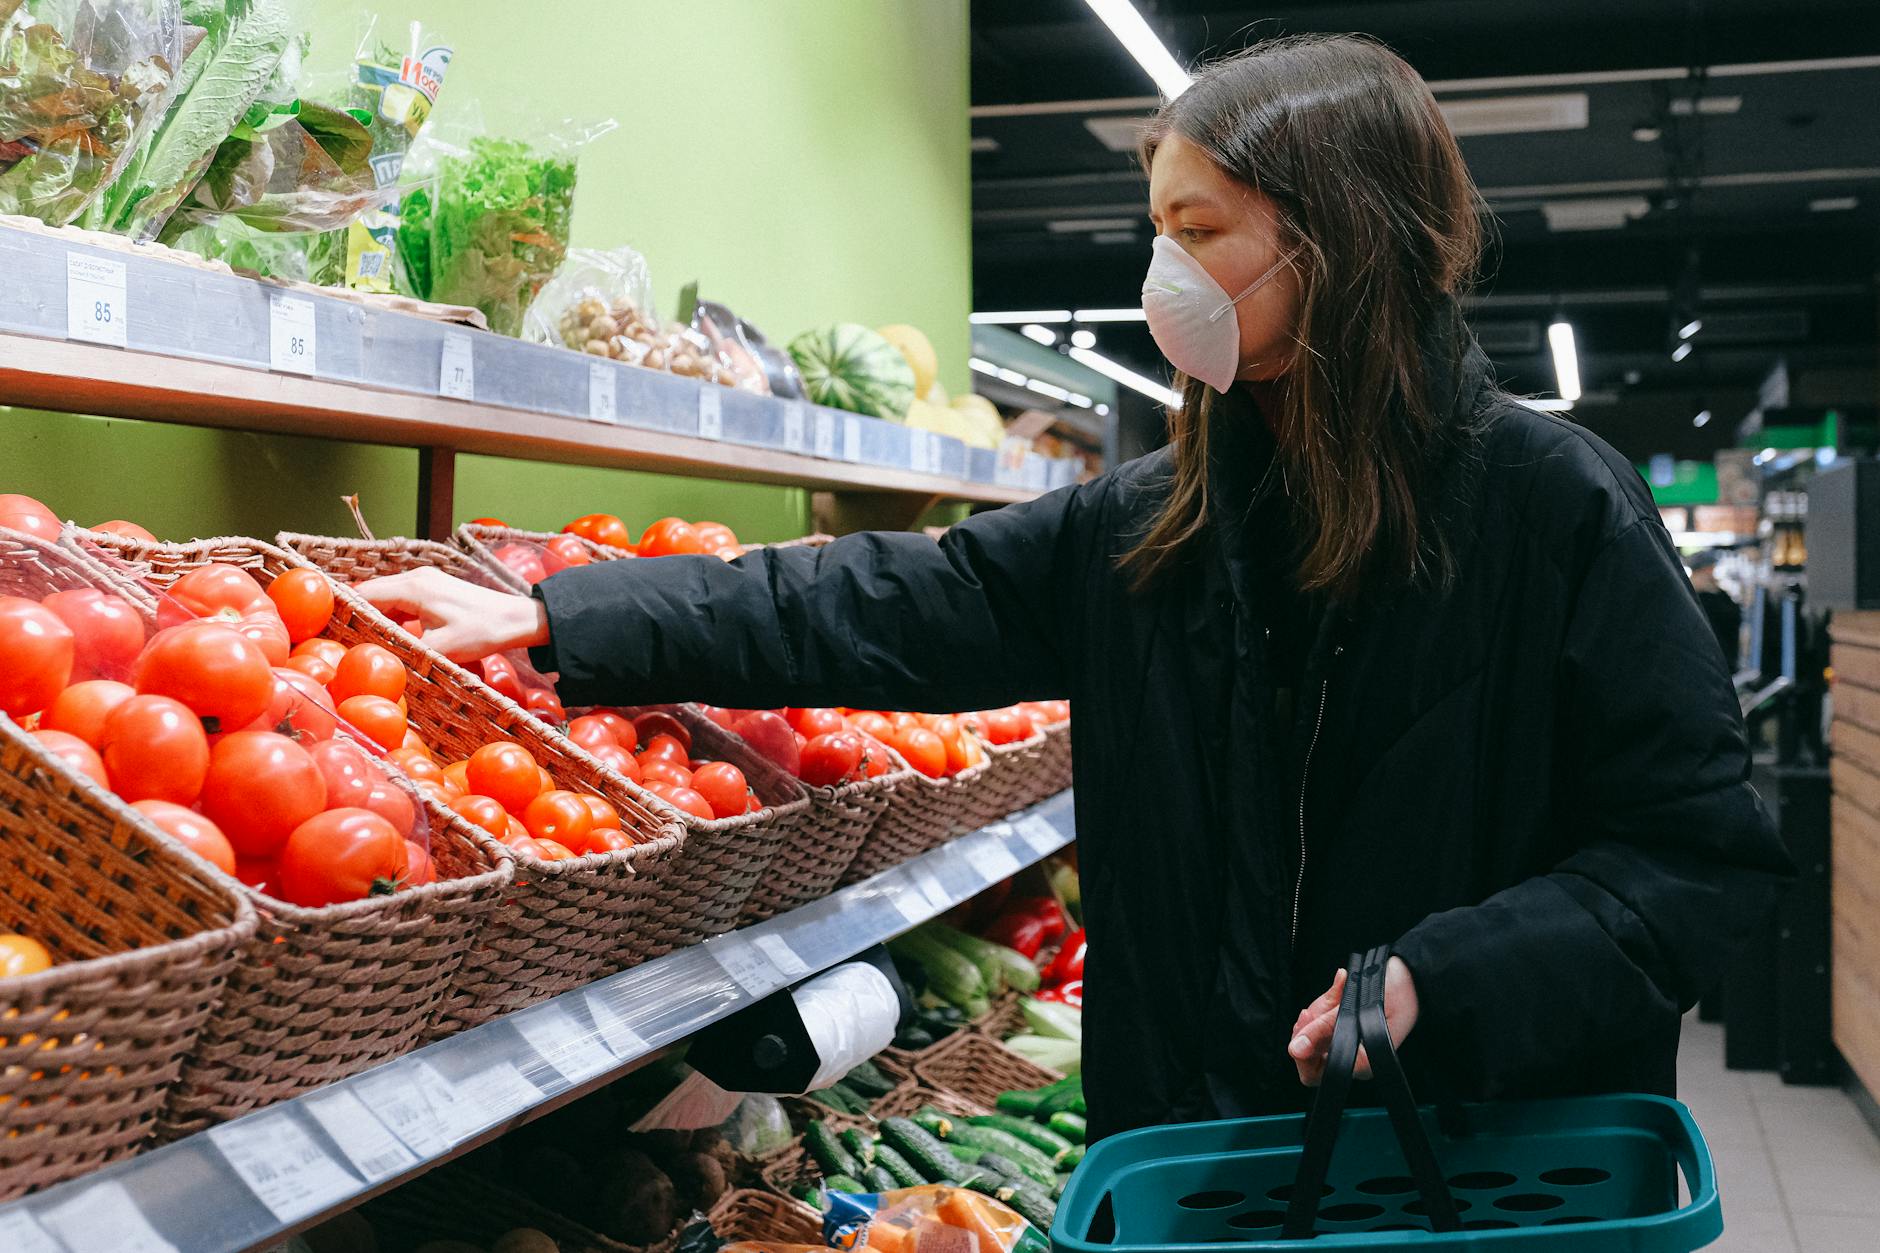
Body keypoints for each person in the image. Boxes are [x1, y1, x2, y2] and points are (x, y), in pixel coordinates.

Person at [360, 34, 1789, 1140]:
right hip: (1199, 1158)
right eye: (1159, 226)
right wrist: (571, 614)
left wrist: (1445, 978)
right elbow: (876, 601)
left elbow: (1697, 862)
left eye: (1204, 229)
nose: (1164, 271)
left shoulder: (1553, 512)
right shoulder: (1156, 523)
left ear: (1340, 241)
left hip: (1476, 1163)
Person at [1688, 550, 1744, 669]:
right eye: (1709, 569)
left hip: (1724, 656)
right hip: (1707, 659)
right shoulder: (1692, 597)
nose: (1712, 573)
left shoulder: (1717, 594)